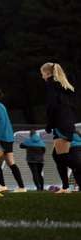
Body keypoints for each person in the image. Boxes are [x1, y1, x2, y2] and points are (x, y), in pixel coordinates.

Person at [40, 62, 79, 192]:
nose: (42, 77)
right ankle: (66, 187)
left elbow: (52, 107)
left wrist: (49, 124)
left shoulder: (51, 85)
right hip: (67, 123)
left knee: (64, 157)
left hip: (61, 124)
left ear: (47, 73)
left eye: (42, 74)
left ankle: (67, 187)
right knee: (57, 156)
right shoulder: (64, 86)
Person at [0, 89, 25, 192]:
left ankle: (2, 185)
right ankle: (21, 187)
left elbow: (2, 122)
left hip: (3, 138)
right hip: (7, 138)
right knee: (10, 162)